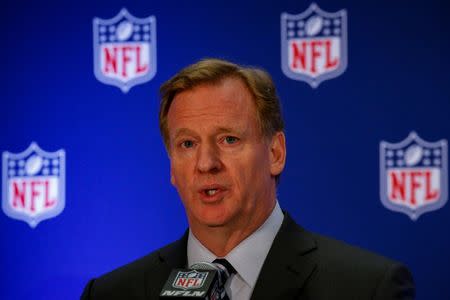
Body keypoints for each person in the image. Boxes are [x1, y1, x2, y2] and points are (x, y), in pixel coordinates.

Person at [81, 58, 415, 299]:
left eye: (228, 139)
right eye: (187, 144)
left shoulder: (367, 288)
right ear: (172, 166)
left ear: (275, 153)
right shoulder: (112, 293)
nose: (206, 163)